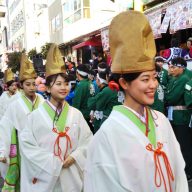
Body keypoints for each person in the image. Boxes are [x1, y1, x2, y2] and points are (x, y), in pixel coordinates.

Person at [84, 11, 188, 192]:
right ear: (124, 83)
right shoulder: (108, 134)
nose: (153, 85)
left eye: (154, 78)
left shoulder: (161, 120)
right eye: (145, 79)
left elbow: (178, 170)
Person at [20, 44, 92, 192]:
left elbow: (88, 142)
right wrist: (53, 162)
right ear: (47, 88)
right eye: (58, 84)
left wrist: (76, 156)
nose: (64, 87)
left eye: (66, 84)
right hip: (45, 181)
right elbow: (27, 147)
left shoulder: (76, 115)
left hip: (72, 179)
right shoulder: (34, 118)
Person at [0, 53, 44, 191]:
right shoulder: (15, 104)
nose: (31, 87)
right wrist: (3, 150)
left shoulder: (43, 102)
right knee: (25, 178)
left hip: (41, 146)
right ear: (21, 86)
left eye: (33, 84)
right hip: (22, 148)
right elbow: (6, 127)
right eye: (27, 84)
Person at [165, 57, 192, 182]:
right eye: (171, 67)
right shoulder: (174, 79)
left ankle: (188, 172)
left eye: (174, 67)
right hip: (174, 117)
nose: (172, 69)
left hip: (181, 118)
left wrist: (166, 99)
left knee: (184, 145)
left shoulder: (183, 79)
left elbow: (172, 97)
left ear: (182, 68)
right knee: (177, 145)